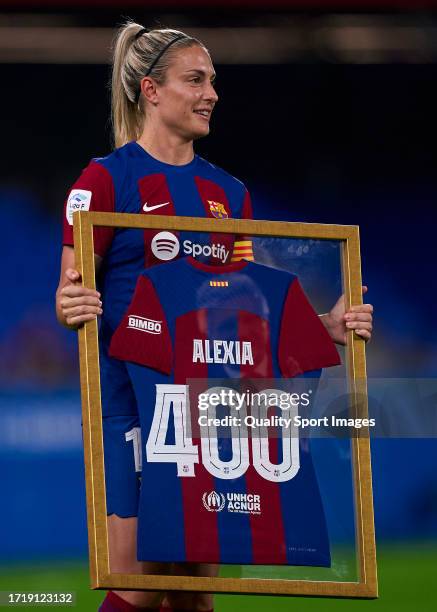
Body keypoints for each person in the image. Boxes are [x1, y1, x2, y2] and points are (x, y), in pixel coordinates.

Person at [55, 20, 373, 612]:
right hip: (129, 404)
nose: (212, 93)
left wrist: (319, 329)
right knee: (141, 585)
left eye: (213, 81)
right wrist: (71, 303)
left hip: (207, 407)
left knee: (197, 594)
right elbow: (69, 293)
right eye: (195, 80)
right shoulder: (104, 180)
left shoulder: (229, 193)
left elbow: (244, 306)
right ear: (151, 90)